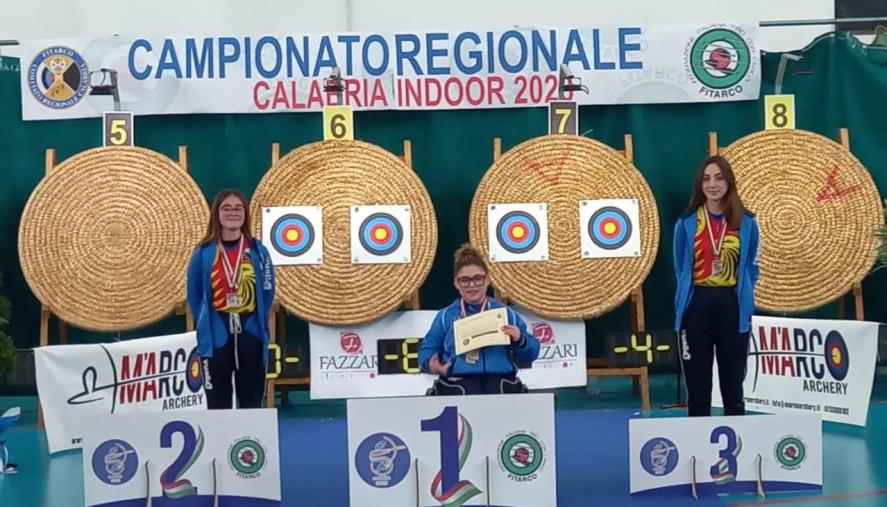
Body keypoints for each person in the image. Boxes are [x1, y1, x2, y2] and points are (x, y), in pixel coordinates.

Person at [673, 155, 760, 417]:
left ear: (729, 182)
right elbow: (680, 266)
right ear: (700, 185)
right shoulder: (686, 222)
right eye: (706, 178)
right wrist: (688, 300)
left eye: (719, 177)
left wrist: (743, 293)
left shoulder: (747, 222)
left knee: (733, 389)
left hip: (732, 308)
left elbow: (752, 264)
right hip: (696, 306)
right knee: (698, 391)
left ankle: (737, 452)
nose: (713, 184)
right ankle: (697, 453)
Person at [187, 189, 275, 409]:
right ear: (217, 214)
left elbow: (267, 288)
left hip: (251, 329)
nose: (233, 213)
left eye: (238, 208)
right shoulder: (203, 252)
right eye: (226, 208)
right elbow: (195, 294)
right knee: (217, 401)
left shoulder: (258, 250)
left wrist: (254, 318)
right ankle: (219, 442)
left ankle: (251, 442)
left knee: (252, 400)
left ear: (245, 214)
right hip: (216, 331)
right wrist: (208, 320)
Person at [418, 243, 540, 395]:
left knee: (499, 386)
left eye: (478, 279)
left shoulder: (506, 314)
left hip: (500, 383)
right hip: (459, 385)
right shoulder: (446, 316)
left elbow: (532, 352)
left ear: (488, 280)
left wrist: (520, 339)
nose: (472, 285)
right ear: (456, 283)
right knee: (464, 389)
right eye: (465, 280)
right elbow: (427, 349)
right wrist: (431, 363)